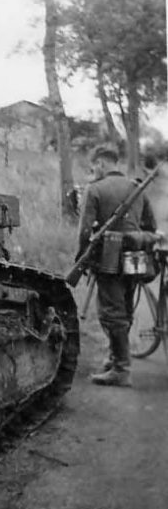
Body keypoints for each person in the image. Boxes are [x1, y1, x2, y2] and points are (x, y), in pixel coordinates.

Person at [77, 147, 157, 387]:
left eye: (94, 167)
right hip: (135, 259)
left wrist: (81, 258)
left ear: (100, 164)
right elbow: (150, 226)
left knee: (111, 313)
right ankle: (115, 358)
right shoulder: (136, 188)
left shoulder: (94, 189)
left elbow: (83, 230)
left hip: (109, 261)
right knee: (125, 309)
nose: (93, 172)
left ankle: (121, 369)